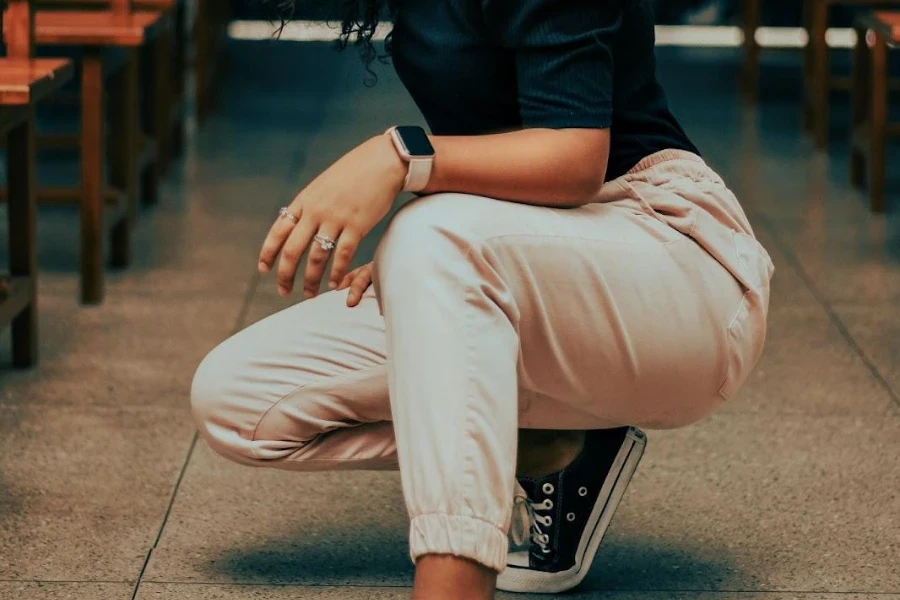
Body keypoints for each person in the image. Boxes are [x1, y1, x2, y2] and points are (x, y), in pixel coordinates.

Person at [189, 0, 775, 597]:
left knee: (428, 232)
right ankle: (560, 448)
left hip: (672, 259)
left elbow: (575, 159)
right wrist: (440, 261)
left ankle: (453, 583)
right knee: (236, 402)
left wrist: (400, 159)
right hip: (542, 258)